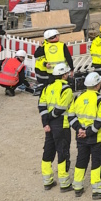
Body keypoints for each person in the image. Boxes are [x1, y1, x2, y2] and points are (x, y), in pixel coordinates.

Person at [68, 71, 101, 199]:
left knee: (81, 159)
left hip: (81, 136)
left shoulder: (78, 97)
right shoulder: (100, 100)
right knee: (97, 162)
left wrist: (79, 129)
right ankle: (97, 190)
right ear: (97, 85)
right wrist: (88, 132)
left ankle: (77, 187)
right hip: (97, 137)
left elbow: (71, 115)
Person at [39, 62, 74, 191]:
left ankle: (47, 181)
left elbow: (42, 106)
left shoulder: (47, 88)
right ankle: (64, 183)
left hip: (49, 126)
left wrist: (45, 122)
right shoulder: (66, 89)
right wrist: (49, 118)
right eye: (67, 73)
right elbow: (60, 109)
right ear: (64, 75)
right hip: (61, 124)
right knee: (62, 152)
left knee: (48, 151)